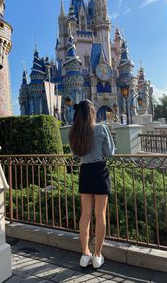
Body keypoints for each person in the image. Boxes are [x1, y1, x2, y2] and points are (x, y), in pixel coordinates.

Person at [68, 99, 115, 269]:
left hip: (85, 172)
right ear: (92, 113)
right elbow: (110, 152)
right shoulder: (101, 128)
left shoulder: (74, 132)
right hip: (100, 171)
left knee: (85, 214)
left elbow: (74, 153)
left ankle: (84, 253)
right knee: (100, 214)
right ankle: (97, 255)